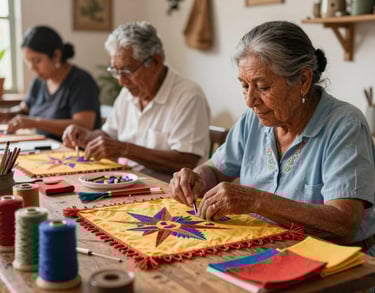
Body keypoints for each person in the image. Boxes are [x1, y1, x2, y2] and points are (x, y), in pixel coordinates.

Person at [170, 21, 375, 253]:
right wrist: (195, 178)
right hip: (266, 249)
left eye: (263, 87)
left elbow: (344, 223)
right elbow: (216, 169)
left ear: (303, 81)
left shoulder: (344, 125)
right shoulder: (254, 120)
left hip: (334, 266)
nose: (250, 101)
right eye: (245, 86)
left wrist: (256, 201)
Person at [62, 21, 210, 173]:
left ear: (155, 62)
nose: (121, 81)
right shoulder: (129, 92)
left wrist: (125, 149)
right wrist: (87, 136)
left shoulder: (189, 96)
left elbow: (186, 161)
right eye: (116, 71)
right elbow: (109, 133)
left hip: (168, 190)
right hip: (129, 182)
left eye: (127, 71)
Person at [0, 26, 102, 141]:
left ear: (56, 55)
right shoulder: (38, 81)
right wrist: (4, 114)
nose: (32, 67)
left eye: (37, 60)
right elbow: (23, 111)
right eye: (28, 61)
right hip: (43, 145)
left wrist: (35, 122)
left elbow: (84, 125)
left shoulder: (81, 82)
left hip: (72, 152)